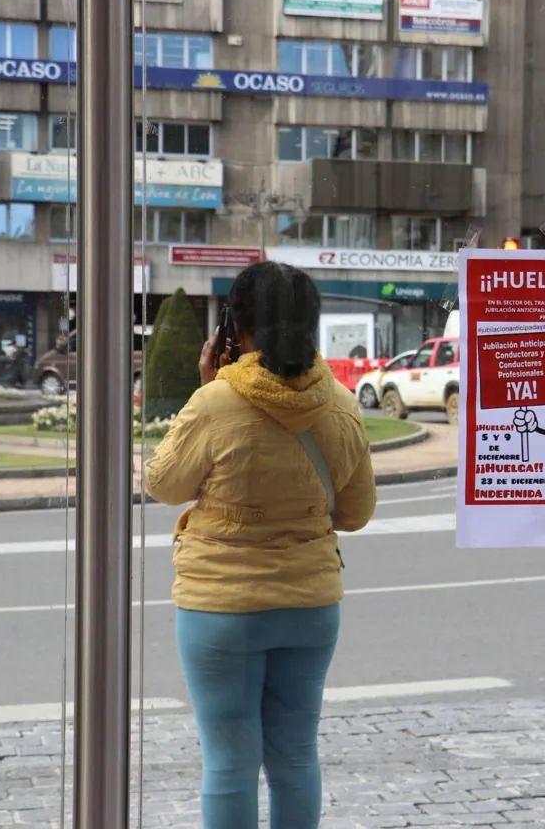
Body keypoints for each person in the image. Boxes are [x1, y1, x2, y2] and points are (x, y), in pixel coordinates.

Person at [146, 262, 376, 829]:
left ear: (234, 329)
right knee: (296, 756)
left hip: (221, 608)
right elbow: (356, 513)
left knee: (228, 763)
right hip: (311, 605)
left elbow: (164, 484)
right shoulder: (342, 406)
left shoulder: (215, 403)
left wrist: (206, 389)